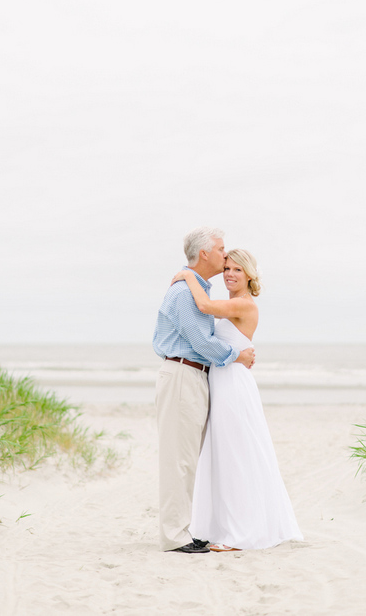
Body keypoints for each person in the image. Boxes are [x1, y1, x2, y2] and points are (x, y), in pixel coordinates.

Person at [172, 248, 303, 551]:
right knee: (221, 455)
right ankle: (222, 527)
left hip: (233, 386)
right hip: (221, 382)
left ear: (249, 276)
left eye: (237, 270)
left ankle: (240, 534)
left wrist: (186, 275)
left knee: (235, 456)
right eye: (227, 268)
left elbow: (203, 306)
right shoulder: (232, 303)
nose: (230, 273)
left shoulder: (244, 305)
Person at [153, 227, 255, 554]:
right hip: (183, 374)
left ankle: (182, 530)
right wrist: (236, 356)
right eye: (222, 250)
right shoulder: (185, 292)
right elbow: (200, 342)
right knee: (179, 460)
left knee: (187, 459)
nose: (226, 257)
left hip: (193, 376)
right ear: (205, 254)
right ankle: (175, 536)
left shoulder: (194, 287)